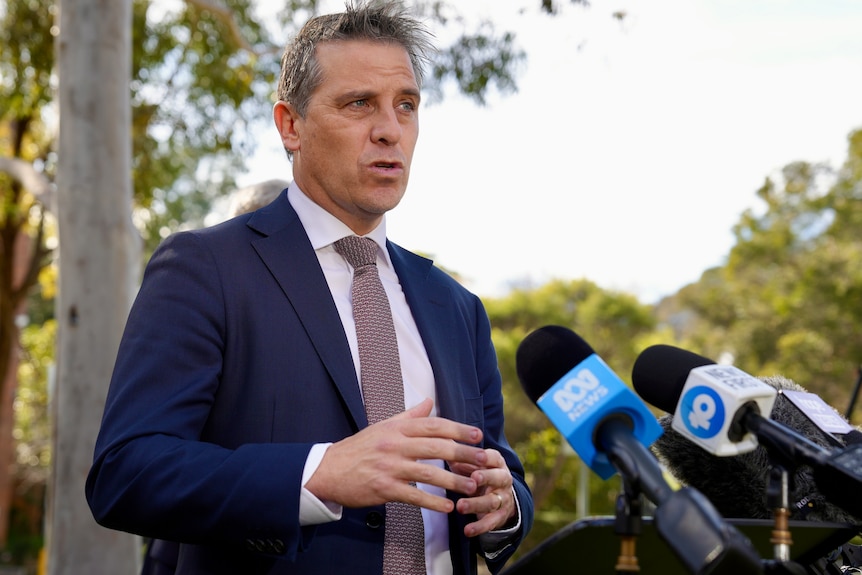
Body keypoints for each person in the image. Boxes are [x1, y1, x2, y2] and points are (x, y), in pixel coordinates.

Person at [86, 2, 533, 574]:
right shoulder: (206, 268)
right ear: (290, 125)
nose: (389, 130)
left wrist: (505, 505)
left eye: (406, 105)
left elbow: (501, 467)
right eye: (358, 104)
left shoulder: (457, 307)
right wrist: (317, 474)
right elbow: (126, 473)